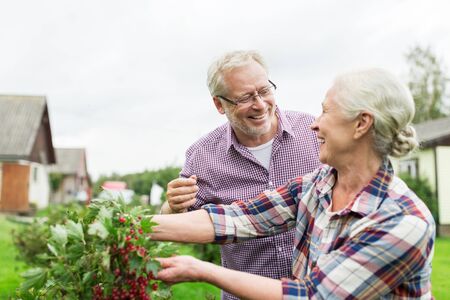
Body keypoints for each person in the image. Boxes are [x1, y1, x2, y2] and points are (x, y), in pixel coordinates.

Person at [152, 68, 436, 299]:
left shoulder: (402, 220)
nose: (315, 125)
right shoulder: (318, 186)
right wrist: (131, 226)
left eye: (326, 112)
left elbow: (314, 296)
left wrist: (203, 270)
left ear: (361, 124)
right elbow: (238, 218)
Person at [160, 51, 320, 298]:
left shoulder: (314, 134)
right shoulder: (203, 157)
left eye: (265, 90)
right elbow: (180, 224)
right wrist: (172, 207)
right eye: (245, 97)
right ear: (219, 104)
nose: (259, 104)